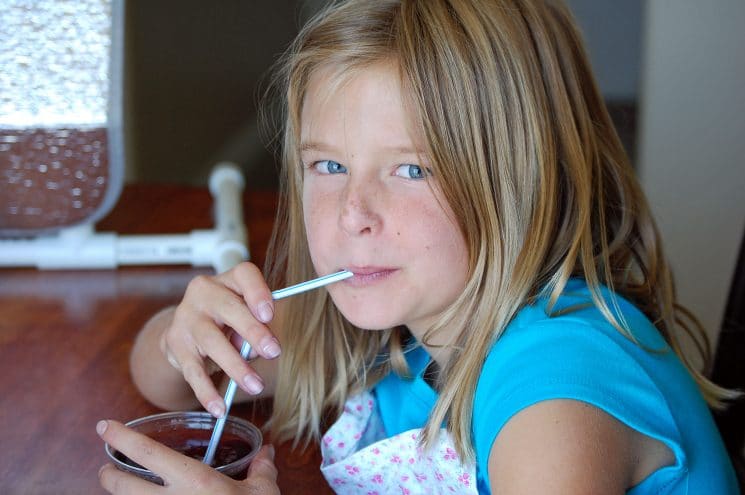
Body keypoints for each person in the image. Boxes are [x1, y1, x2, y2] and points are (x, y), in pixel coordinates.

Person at [97, 0, 741, 493]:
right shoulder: (409, 309)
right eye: (328, 166)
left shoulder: (556, 398)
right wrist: (186, 333)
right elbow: (166, 384)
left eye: (411, 170)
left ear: (524, 182)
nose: (353, 214)